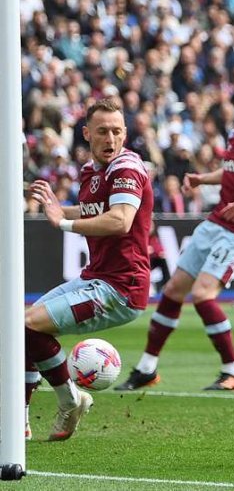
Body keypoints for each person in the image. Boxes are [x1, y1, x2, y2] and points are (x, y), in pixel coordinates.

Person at [117, 77, 234, 391]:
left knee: (202, 295)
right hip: (216, 222)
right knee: (173, 290)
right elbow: (233, 171)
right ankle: (147, 368)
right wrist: (203, 179)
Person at [27, 98, 154, 440]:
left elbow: (119, 220)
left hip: (121, 289)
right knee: (21, 328)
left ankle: (70, 401)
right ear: (87, 134)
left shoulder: (126, 168)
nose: (110, 138)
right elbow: (91, 210)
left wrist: (60, 224)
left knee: (28, 325)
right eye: (102, 131)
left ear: (125, 134)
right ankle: (20, 422)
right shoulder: (90, 172)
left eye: (117, 131)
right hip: (96, 278)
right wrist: (55, 208)